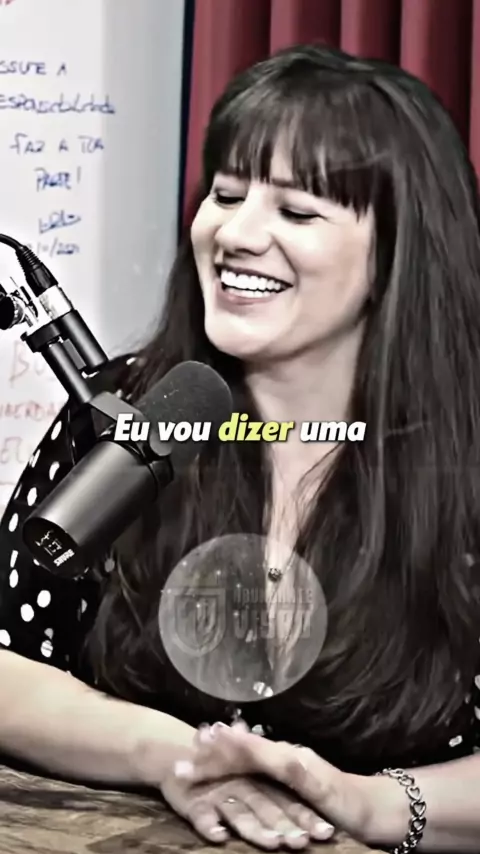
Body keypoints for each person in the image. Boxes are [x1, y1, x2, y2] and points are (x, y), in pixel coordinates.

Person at [0, 41, 479, 853]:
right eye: (226, 194)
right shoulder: (127, 411)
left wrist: (367, 804)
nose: (236, 233)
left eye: (298, 212)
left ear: (398, 251)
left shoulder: (463, 459)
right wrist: (177, 756)